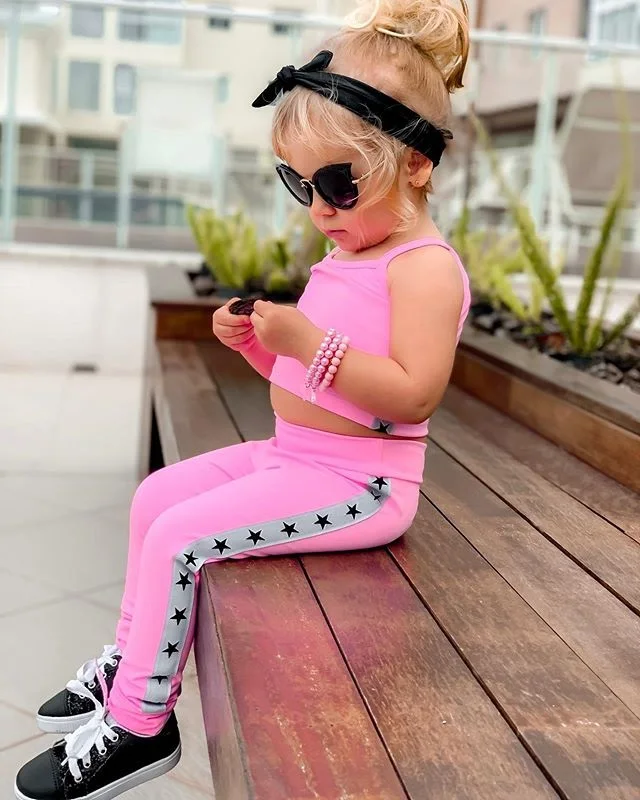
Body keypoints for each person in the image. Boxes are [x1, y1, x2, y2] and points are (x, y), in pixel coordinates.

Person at [14, 0, 470, 797]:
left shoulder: (424, 268)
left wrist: (308, 342)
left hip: (363, 485)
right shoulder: (352, 250)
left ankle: (140, 724)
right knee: (156, 499)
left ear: (416, 165)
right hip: (298, 456)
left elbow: (413, 396)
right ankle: (129, 661)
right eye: (301, 184)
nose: (320, 208)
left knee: (182, 538)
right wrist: (262, 346)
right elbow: (312, 388)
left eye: (339, 184)